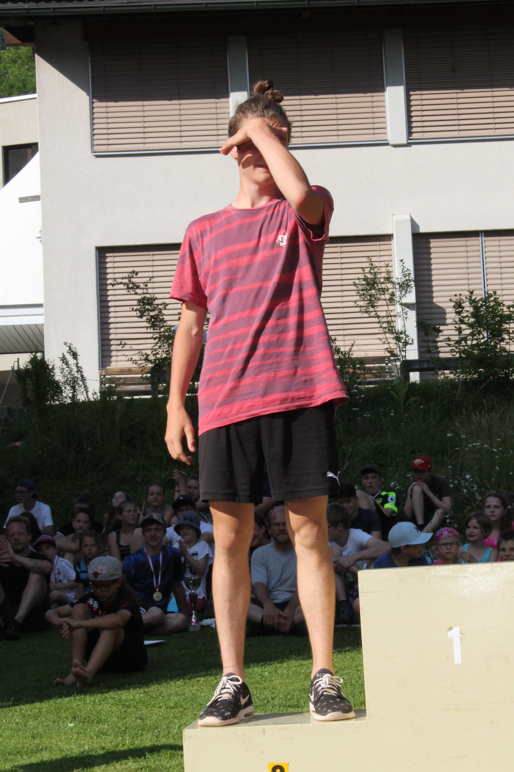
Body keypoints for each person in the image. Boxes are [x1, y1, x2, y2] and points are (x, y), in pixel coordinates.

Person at [166, 79, 355, 726]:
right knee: (230, 540)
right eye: (248, 142)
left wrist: (261, 132)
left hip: (301, 390)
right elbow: (191, 323)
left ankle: (324, 675)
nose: (261, 154)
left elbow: (299, 192)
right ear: (233, 149)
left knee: (309, 533)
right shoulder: (203, 231)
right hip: (225, 400)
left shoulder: (304, 212)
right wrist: (175, 404)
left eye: (274, 142)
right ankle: (233, 682)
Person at [46, 556, 147, 688]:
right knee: (79, 609)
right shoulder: (92, 598)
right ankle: (75, 670)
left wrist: (78, 624)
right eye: (95, 586)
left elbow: (118, 620)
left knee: (111, 627)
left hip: (129, 659)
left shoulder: (126, 600)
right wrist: (58, 621)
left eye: (104, 586)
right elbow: (51, 613)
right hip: (102, 661)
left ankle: (87, 675)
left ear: (119, 582)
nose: (99, 591)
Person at [122, 513, 188, 634]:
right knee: (155, 615)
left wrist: (186, 617)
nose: (153, 534)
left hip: (161, 612)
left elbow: (177, 586)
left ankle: (135, 631)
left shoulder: (173, 554)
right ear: (143, 533)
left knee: (180, 620)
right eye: (149, 530)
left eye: (157, 530)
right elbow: (123, 590)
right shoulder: (132, 560)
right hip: (139, 611)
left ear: (164, 533)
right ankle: (129, 625)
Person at [326, 502, 390, 624]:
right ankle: (343, 606)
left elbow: (385, 547)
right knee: (333, 553)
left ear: (339, 526)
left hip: (361, 583)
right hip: (339, 586)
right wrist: (353, 569)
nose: (322, 530)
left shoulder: (355, 535)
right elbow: (327, 561)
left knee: (374, 560)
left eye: (326, 526)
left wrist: (354, 557)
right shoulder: (326, 541)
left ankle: (369, 599)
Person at [247, 507, 305, 637]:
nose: (281, 528)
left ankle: (266, 628)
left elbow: (305, 586)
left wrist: (290, 610)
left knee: (321, 602)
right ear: (269, 529)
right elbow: (258, 585)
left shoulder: (304, 551)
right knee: (238, 605)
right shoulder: (260, 553)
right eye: (276, 525)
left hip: (297, 605)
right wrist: (268, 606)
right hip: (269, 605)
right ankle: (291, 627)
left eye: (285, 524)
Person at [0, 516, 52, 640]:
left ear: (29, 536)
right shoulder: (3, 560)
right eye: (12, 535)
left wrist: (15, 558)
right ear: (7, 539)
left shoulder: (38, 558)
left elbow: (47, 567)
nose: (16, 538)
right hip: (8, 615)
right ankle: (11, 625)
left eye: (20, 533)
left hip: (34, 618)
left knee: (37, 574)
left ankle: (17, 623)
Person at [175, 511, 211, 619]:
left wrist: (186, 554)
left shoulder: (202, 546)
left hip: (197, 594)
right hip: (178, 594)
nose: (184, 531)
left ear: (196, 530)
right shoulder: (175, 547)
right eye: (182, 528)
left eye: (188, 528)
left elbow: (201, 570)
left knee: (182, 609)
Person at [404, 456, 451, 533]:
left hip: (436, 518)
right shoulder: (411, 485)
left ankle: (423, 535)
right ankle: (421, 526)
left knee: (440, 511)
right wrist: (409, 493)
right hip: (419, 519)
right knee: (416, 489)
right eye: (416, 471)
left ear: (430, 471)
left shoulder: (441, 482)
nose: (418, 474)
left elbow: (447, 509)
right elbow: (408, 514)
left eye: (422, 471)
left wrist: (429, 493)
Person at [34, 535, 77, 606]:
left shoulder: (63, 563)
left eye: (48, 548)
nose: (44, 551)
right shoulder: (40, 566)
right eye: (41, 550)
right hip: (52, 598)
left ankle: (41, 609)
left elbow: (75, 583)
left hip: (69, 596)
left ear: (55, 550)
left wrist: (57, 586)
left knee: (55, 594)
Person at [357, 465, 398, 538]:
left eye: (373, 478)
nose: (370, 481)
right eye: (366, 478)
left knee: (359, 493)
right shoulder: (361, 497)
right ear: (362, 481)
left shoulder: (389, 495)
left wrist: (372, 500)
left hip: (384, 526)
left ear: (380, 480)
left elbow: (387, 514)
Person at [75, 530, 103, 597]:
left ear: (99, 547)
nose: (89, 548)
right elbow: (80, 593)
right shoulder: (79, 567)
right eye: (85, 546)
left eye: (93, 545)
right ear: (80, 549)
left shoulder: (105, 564)